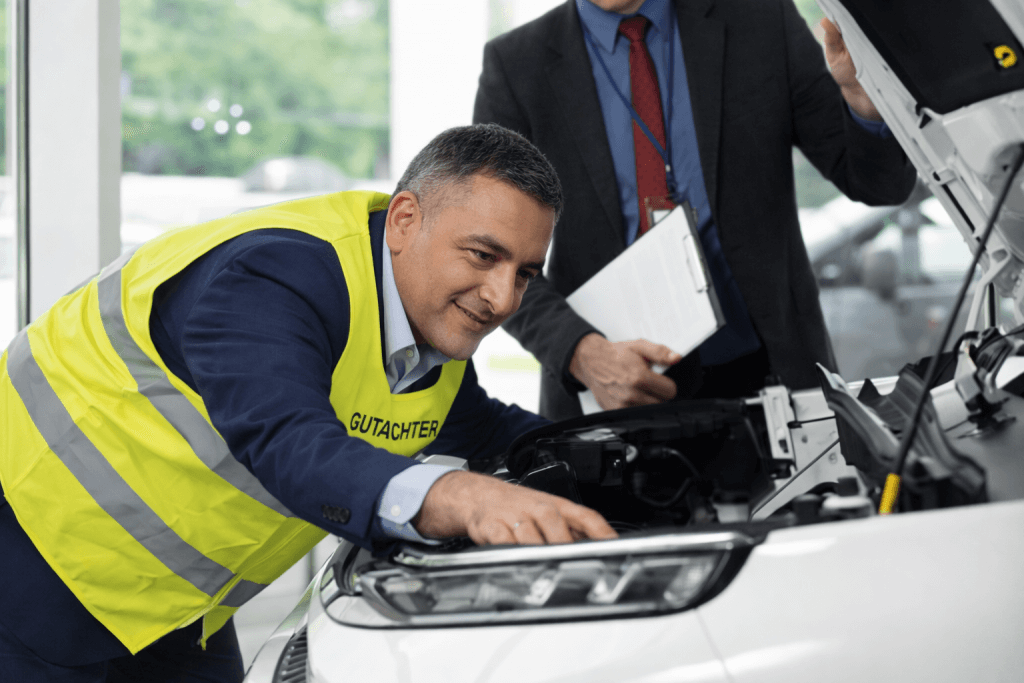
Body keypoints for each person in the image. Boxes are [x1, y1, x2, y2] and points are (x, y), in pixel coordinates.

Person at [0, 123, 616, 681]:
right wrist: (453, 494)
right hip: (36, 563)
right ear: (404, 220)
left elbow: (487, 431)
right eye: (484, 256)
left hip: (176, 601)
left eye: (525, 274)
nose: (503, 299)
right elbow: (288, 441)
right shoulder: (274, 274)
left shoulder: (427, 338)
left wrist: (622, 452)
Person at [473, 0, 918, 420]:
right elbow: (490, 258)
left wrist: (864, 99)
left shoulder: (761, 20)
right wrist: (579, 352)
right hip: (610, 394)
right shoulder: (516, 66)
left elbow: (879, 184)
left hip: (773, 381)